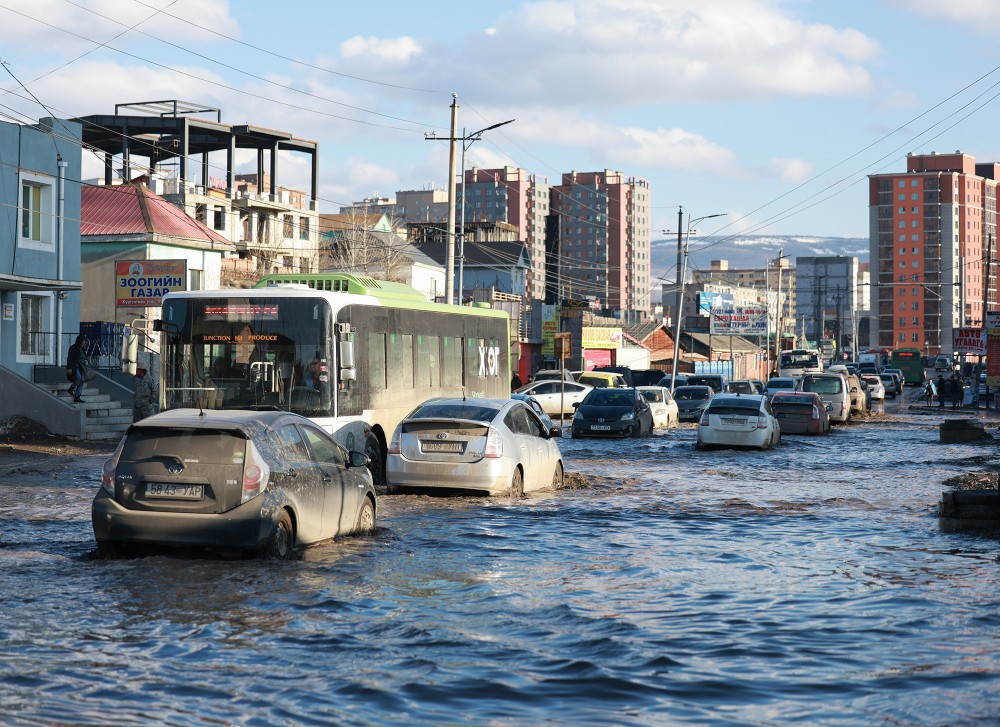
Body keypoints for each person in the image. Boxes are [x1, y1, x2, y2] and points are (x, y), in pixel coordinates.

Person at [66, 334, 89, 403]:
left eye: (85, 341)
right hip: (75, 366)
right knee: (78, 378)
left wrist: (87, 361)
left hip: (81, 367)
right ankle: (71, 388)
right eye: (84, 341)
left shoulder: (82, 349)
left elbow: (85, 357)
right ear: (80, 341)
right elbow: (69, 359)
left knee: (82, 381)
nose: (85, 342)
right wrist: (69, 368)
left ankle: (77, 396)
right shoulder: (73, 348)